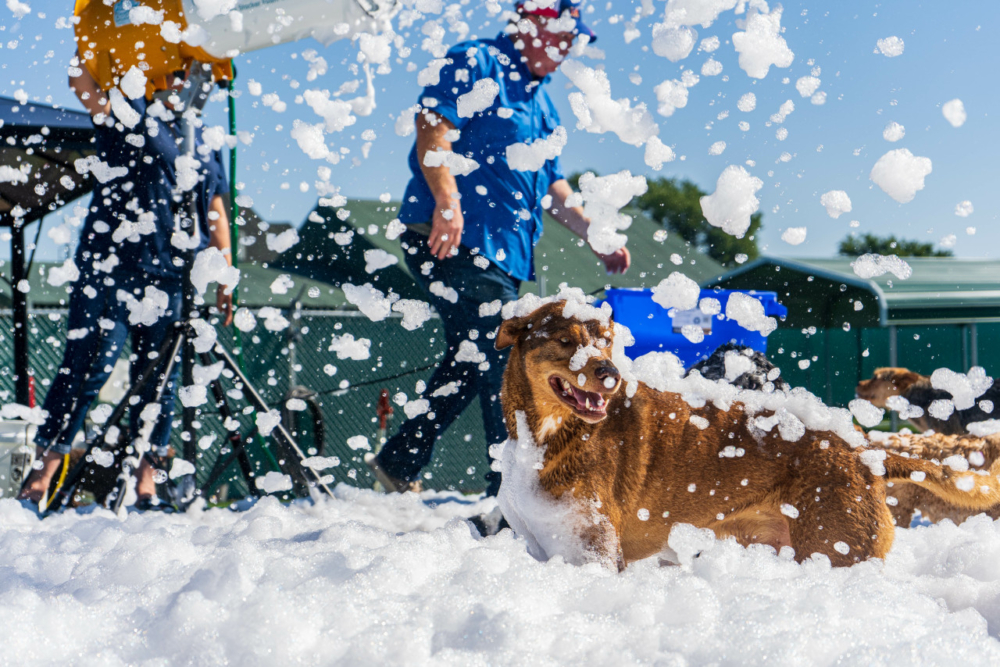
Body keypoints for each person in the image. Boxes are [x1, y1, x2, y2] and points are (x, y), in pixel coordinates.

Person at [366, 0, 629, 497]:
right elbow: (432, 127)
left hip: (502, 255)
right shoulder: (477, 61)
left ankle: (400, 460)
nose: (571, 47)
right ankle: (511, 491)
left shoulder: (543, 103)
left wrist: (594, 233)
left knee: (473, 356)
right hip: (449, 237)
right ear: (535, 23)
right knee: (506, 356)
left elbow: (554, 187)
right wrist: (447, 201)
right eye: (566, 35)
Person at [18, 63, 233, 510]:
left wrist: (225, 271)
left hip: (172, 275)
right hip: (109, 266)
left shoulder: (204, 136)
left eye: (192, 74)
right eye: (175, 70)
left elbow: (214, 205)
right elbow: (80, 82)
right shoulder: (129, 105)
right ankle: (39, 480)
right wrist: (92, 45)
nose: (182, 81)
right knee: (87, 368)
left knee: (159, 380)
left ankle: (146, 487)